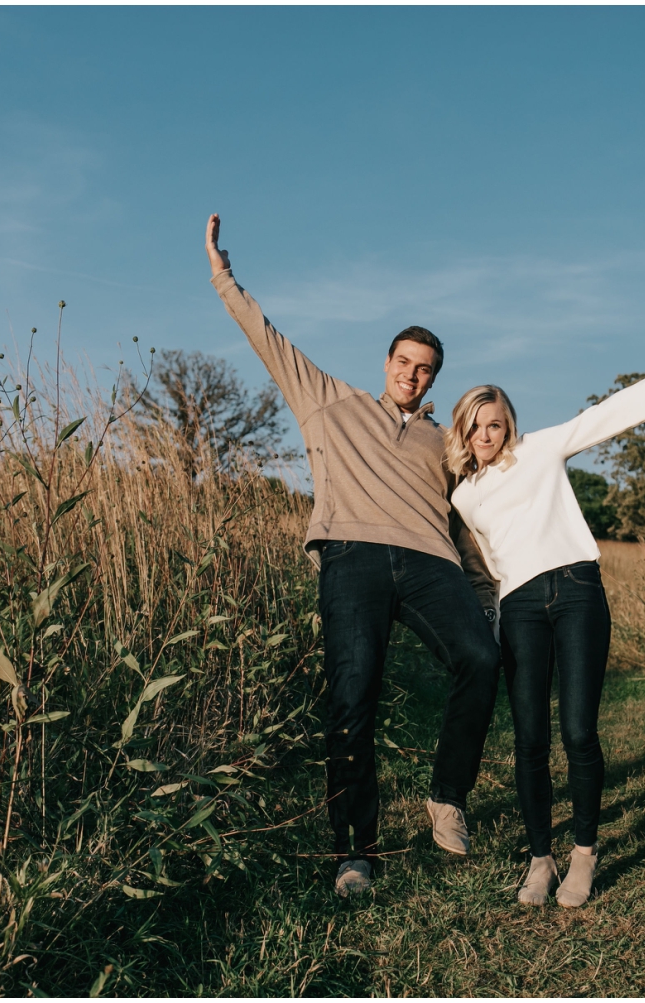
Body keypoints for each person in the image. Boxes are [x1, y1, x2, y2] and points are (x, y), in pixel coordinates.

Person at [204, 213, 500, 898]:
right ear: (387, 363)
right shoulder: (329, 402)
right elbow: (268, 340)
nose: (412, 375)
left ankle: (447, 795)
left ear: (433, 380)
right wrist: (223, 277)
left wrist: (488, 594)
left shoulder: (444, 443)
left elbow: (471, 522)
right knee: (352, 696)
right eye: (403, 362)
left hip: (430, 561)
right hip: (353, 556)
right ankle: (354, 853)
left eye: (424, 370)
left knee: (481, 657)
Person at [445, 346, 645, 908]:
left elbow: (602, 418)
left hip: (576, 592)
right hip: (519, 607)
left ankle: (584, 854)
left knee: (577, 731)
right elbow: (488, 567)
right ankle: (540, 860)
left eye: (495, 424)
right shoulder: (464, 497)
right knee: (529, 739)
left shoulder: (540, 449)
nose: (486, 434)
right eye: (476, 426)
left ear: (509, 426)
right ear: (463, 429)